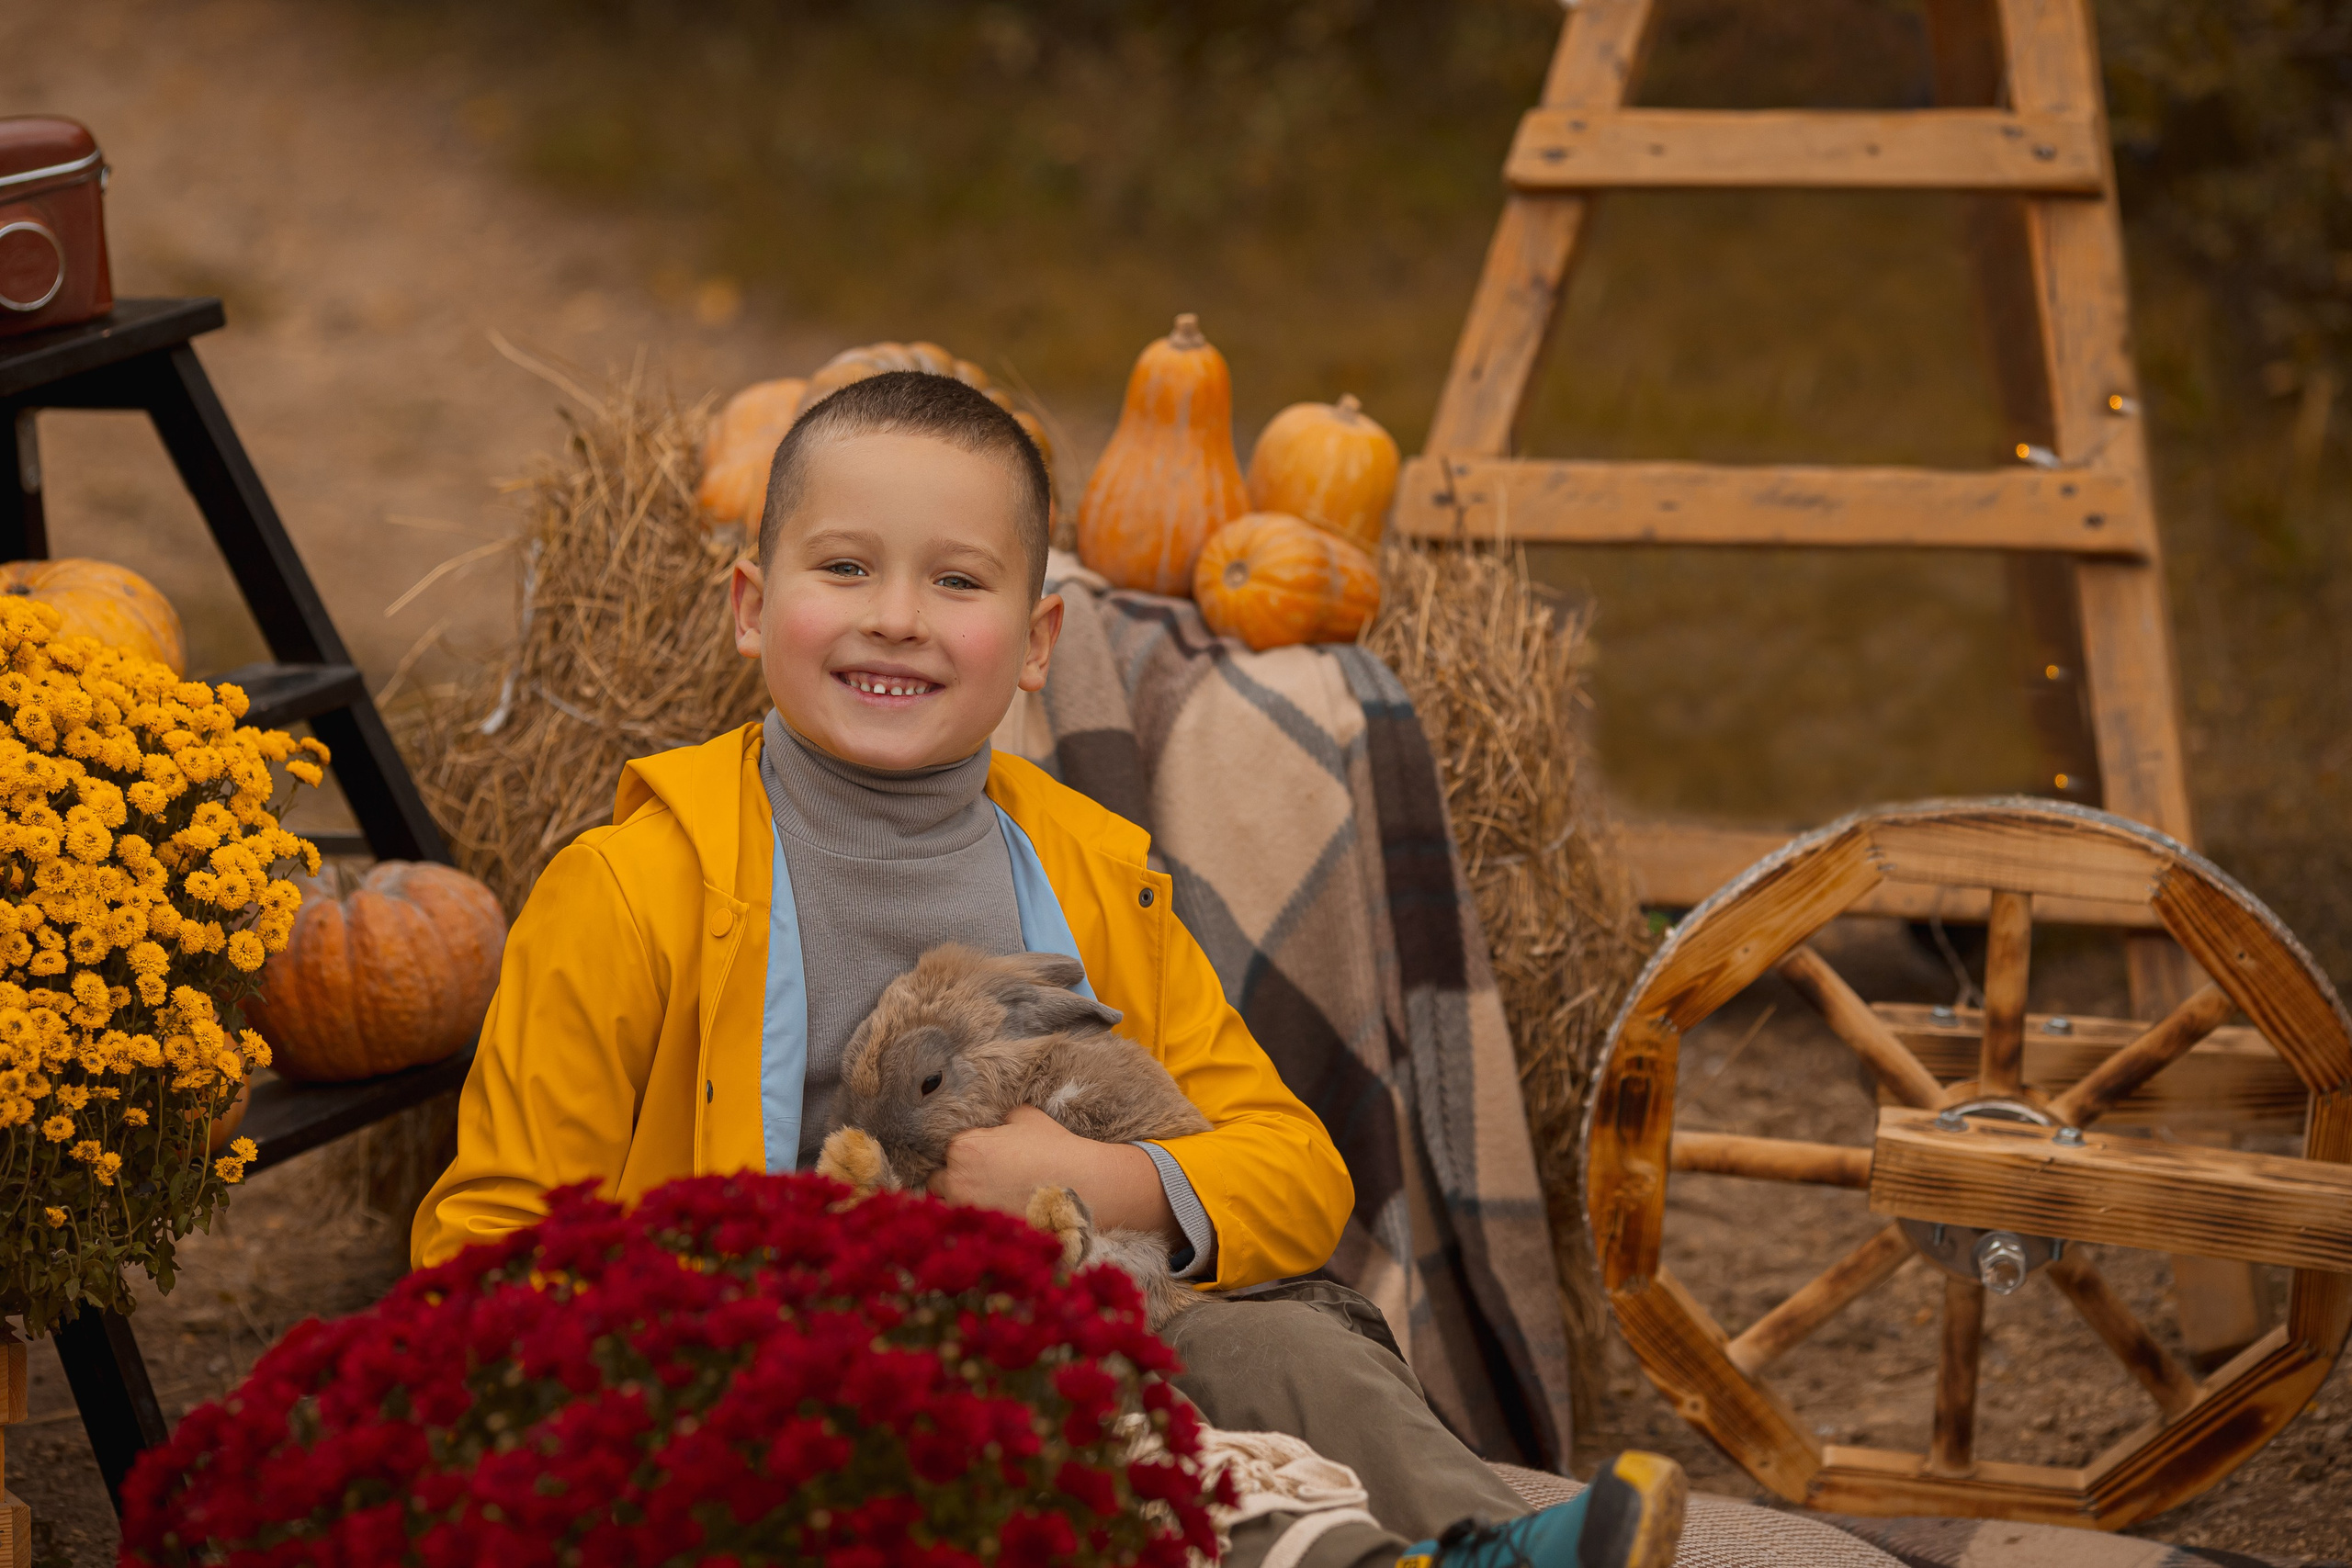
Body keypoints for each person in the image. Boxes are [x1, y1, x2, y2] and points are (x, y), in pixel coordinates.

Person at [413, 370, 1686, 1568]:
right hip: (798, 1386)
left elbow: (1295, 1173)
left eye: (958, 582)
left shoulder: (1088, 873)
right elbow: (488, 1239)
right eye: (845, 567)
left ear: (1036, 640)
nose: (897, 617)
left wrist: (1097, 1178)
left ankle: (1484, 1541)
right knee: (1098, 1465)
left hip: (1084, 1323)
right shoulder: (635, 887)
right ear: (752, 607)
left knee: (1296, 1345)